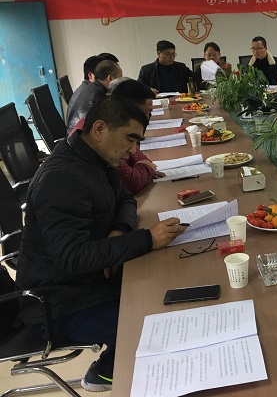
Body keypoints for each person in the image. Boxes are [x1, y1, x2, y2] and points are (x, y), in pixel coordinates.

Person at [16, 97, 185, 392]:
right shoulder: (62, 179)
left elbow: (125, 199)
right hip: (58, 305)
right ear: (99, 129)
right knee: (152, 320)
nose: (133, 151)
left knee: (163, 289)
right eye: (130, 139)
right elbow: (72, 257)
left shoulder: (95, 160)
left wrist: (119, 231)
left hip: (84, 283)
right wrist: (147, 239)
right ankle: (105, 372)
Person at [69, 78, 165, 194]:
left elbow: (123, 197)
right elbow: (131, 183)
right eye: (144, 113)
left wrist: (141, 165)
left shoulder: (110, 129)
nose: (147, 118)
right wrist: (145, 167)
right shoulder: (104, 137)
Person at [66, 59, 122, 134]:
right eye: (119, 78)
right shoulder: (98, 97)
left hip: (72, 135)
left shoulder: (90, 87)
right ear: (110, 78)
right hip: (77, 138)